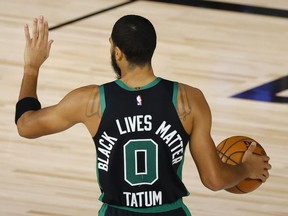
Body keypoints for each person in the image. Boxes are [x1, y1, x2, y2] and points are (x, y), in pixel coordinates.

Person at [15, 15, 271, 216]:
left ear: (117, 52)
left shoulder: (90, 101)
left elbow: (26, 125)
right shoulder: (189, 100)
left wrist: (31, 67)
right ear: (152, 49)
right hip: (170, 213)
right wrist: (245, 167)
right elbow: (214, 180)